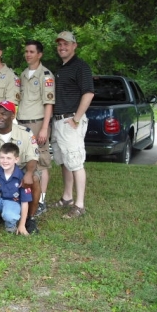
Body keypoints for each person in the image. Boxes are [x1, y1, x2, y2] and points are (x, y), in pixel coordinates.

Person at [0, 101, 41, 234]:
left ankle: (30, 217)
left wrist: (29, 173)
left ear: (12, 116)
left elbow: (32, 157)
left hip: (21, 170)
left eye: (4, 114)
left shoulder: (25, 133)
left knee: (34, 179)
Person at [52, 31, 94, 218]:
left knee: (75, 162)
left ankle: (79, 205)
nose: (62, 47)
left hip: (71, 121)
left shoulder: (81, 66)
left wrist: (77, 118)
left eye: (66, 44)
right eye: (60, 44)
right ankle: (67, 197)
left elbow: (88, 93)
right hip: (58, 121)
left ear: (74, 46)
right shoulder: (60, 68)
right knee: (64, 161)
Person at [16, 40, 55, 216]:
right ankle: (28, 196)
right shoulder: (23, 75)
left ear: (39, 54)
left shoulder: (45, 75)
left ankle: (41, 201)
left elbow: (49, 103)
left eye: (32, 52)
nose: (28, 54)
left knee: (41, 161)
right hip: (22, 122)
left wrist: (45, 128)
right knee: (25, 159)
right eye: (26, 51)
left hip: (38, 122)